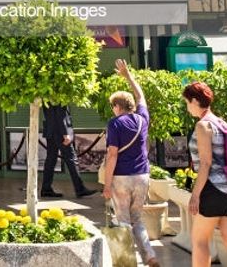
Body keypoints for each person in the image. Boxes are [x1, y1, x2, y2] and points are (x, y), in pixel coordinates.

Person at [182, 80, 227, 267]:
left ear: (195, 101)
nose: (188, 108)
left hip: (214, 188)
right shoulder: (221, 123)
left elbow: (206, 163)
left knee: (199, 240)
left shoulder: (203, 126)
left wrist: (195, 195)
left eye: (187, 103)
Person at [102, 59, 157, 267]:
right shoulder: (143, 118)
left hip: (122, 178)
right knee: (138, 219)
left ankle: (126, 263)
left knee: (123, 221)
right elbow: (141, 95)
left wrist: (107, 185)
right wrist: (128, 77)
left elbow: (112, 155)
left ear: (117, 106)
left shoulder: (115, 123)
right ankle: (150, 256)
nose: (112, 109)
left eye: (112, 106)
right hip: (142, 176)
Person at [42, 102, 97, 199]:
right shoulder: (59, 93)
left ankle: (46, 189)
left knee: (51, 160)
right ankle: (80, 189)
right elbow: (60, 114)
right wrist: (65, 133)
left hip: (51, 130)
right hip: (60, 132)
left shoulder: (47, 94)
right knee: (72, 159)